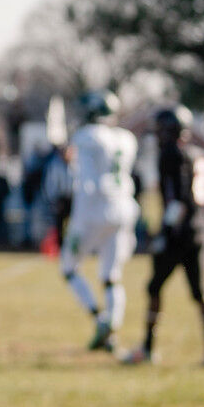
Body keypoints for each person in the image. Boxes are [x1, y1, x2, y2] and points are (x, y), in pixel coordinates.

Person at [123, 106, 204, 367]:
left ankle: (147, 348)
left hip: (180, 231)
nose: (157, 135)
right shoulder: (198, 153)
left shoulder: (171, 155)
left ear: (170, 131)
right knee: (201, 293)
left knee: (154, 287)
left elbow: (176, 200)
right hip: (201, 229)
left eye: (160, 130)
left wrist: (165, 233)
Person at [61, 90, 139, 353]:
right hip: (123, 209)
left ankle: (100, 320)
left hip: (92, 211)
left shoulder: (87, 138)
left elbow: (86, 181)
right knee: (111, 276)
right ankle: (112, 324)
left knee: (70, 268)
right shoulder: (126, 139)